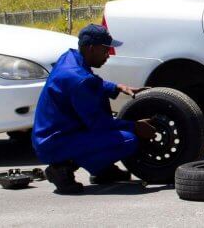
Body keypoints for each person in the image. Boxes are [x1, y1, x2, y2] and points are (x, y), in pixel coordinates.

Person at [32, 24, 153, 194]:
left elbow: (91, 81)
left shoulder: (70, 58)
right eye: (105, 50)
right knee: (128, 140)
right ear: (91, 49)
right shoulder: (78, 80)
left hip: (55, 134)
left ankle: (101, 169)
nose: (108, 55)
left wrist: (116, 87)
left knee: (114, 136)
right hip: (56, 142)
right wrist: (135, 126)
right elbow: (99, 124)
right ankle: (61, 168)